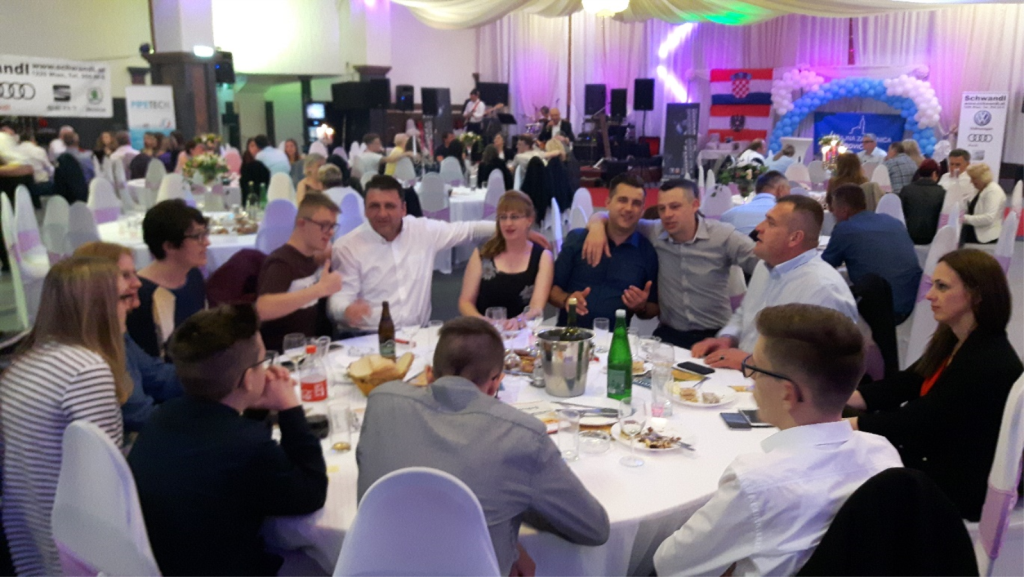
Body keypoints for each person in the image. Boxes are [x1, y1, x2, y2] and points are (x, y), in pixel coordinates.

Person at [654, 304, 901, 577]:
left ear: (787, 394)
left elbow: (670, 564)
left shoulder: (757, 481)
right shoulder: (883, 454)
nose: (750, 379)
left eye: (756, 368)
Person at [357, 317, 610, 577]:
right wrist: (510, 523)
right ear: (495, 383)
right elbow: (594, 529)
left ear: (429, 375)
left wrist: (508, 539)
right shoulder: (523, 436)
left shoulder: (381, 402)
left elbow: (413, 496)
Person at [128, 304, 328, 577]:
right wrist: (290, 409)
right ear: (248, 379)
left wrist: (252, 406)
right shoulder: (247, 445)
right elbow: (311, 494)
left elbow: (230, 464)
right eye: (262, 362)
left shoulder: (162, 417)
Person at [847, 249, 1022, 520]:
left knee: (848, 476)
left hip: (959, 485)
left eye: (942, 287)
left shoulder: (987, 361)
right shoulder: (955, 340)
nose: (929, 295)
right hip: (936, 459)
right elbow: (905, 383)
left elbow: (919, 420)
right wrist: (844, 397)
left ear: (976, 295)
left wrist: (847, 424)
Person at [0, 257, 131, 576]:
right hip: (76, 548)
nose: (131, 306)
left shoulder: (30, 358)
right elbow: (103, 482)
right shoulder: (86, 370)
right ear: (98, 307)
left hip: (32, 535)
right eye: (122, 298)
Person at [330, 175, 537, 330]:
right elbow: (338, 301)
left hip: (418, 335)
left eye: (389, 206)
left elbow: (470, 229)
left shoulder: (422, 231)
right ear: (365, 210)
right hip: (368, 338)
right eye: (374, 206)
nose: (382, 213)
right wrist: (346, 310)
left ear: (403, 209)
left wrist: (518, 232)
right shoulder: (348, 247)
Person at [583, 179, 759, 348]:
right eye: (662, 208)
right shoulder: (654, 231)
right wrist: (597, 226)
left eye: (675, 207)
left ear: (695, 205)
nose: (667, 215)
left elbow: (763, 263)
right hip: (670, 334)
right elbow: (611, 217)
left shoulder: (722, 236)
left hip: (715, 334)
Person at [692, 195, 859, 368]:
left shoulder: (823, 289)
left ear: (794, 238)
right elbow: (744, 314)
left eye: (771, 223)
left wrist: (750, 363)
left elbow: (822, 368)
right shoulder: (764, 267)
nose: (758, 227)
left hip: (776, 381)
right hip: (745, 374)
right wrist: (728, 338)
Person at [74, 241, 183, 433]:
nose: (138, 282)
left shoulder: (115, 332)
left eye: (134, 273)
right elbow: (139, 416)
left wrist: (215, 373)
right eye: (125, 276)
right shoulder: (94, 350)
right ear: (97, 286)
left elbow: (157, 376)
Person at [550, 174, 659, 328]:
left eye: (636, 203)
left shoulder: (647, 252)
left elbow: (653, 307)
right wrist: (567, 299)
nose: (629, 208)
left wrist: (641, 306)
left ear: (642, 210)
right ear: (608, 203)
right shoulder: (578, 239)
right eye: (622, 200)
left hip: (615, 338)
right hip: (571, 333)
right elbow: (552, 289)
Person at [823, 184, 922, 323]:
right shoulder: (893, 222)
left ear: (844, 210)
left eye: (833, 209)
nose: (832, 213)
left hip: (881, 311)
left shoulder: (845, 229)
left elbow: (824, 267)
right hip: (914, 304)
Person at [256, 194, 343, 351]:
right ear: (302, 223)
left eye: (332, 226)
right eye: (324, 225)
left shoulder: (314, 259)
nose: (330, 232)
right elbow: (263, 308)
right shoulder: (282, 262)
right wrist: (319, 289)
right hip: (284, 356)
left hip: (311, 350)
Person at [126, 199, 209, 357]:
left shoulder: (193, 276)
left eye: (205, 234)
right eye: (197, 236)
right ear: (169, 246)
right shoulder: (140, 293)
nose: (206, 242)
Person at [459, 191, 554, 322]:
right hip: (485, 329)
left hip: (523, 330)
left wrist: (517, 322)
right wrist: (484, 321)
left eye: (514, 217)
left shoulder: (543, 257)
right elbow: (465, 302)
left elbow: (536, 307)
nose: (508, 223)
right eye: (503, 217)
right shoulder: (482, 254)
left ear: (529, 220)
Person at [720, 171, 790, 236]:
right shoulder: (788, 214)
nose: (790, 193)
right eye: (788, 189)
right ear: (781, 189)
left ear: (756, 190)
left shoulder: (729, 215)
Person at [900, 159, 946, 244]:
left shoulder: (906, 190)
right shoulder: (941, 192)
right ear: (934, 174)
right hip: (932, 237)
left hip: (909, 236)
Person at [960, 162, 1005, 245]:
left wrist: (963, 218)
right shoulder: (980, 189)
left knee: (954, 237)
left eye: (973, 178)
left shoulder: (993, 191)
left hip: (984, 234)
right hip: (976, 228)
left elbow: (988, 218)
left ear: (982, 178)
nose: (971, 182)